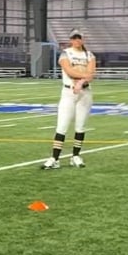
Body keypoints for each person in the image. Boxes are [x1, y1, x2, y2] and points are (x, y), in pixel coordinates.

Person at [42, 30, 96, 169]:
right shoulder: (65, 53)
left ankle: (75, 156)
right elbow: (69, 71)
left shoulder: (89, 55)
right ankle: (55, 158)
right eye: (74, 38)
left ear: (83, 39)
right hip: (68, 91)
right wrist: (83, 77)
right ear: (71, 40)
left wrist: (81, 82)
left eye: (79, 38)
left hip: (85, 92)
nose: (77, 40)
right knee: (62, 125)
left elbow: (91, 74)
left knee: (80, 126)